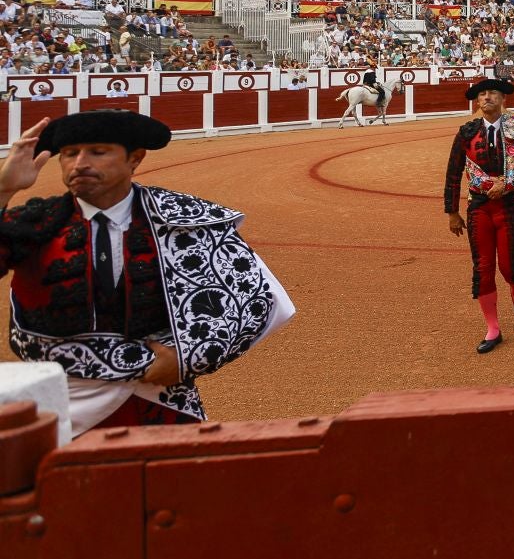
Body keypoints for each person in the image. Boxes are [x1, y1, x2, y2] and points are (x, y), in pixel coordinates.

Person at [0, 114, 295, 434]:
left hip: (160, 400)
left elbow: (256, 295)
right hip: (63, 402)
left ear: (135, 159)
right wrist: (3, 189)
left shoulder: (181, 219)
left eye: (98, 152)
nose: (80, 163)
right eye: (70, 153)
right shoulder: (36, 224)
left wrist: (189, 356)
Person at [442, 77, 514, 354]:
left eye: (493, 93)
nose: (487, 97)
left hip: (510, 205)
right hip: (478, 206)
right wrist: (452, 211)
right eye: (483, 94)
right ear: (477, 101)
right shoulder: (466, 132)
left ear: (503, 99)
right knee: (483, 268)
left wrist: (508, 184)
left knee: (509, 266)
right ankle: (493, 329)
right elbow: (453, 171)